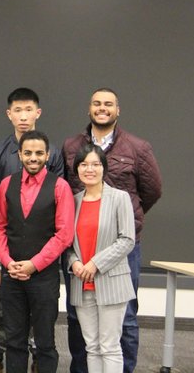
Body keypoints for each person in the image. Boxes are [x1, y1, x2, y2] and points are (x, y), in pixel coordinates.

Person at [62, 88, 162, 373]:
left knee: (125, 320)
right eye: (96, 103)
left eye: (108, 104)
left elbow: (152, 191)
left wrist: (123, 220)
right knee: (81, 324)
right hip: (81, 251)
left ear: (118, 110)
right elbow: (66, 191)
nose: (102, 108)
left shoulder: (137, 147)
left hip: (121, 248)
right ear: (89, 108)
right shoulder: (71, 146)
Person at [0, 87, 64, 373]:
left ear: (37, 113)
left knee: (43, 335)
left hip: (42, 261)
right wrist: (3, 261)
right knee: (6, 326)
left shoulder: (53, 154)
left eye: (28, 109)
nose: (23, 115)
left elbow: (57, 213)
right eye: (17, 110)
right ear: (9, 114)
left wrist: (35, 263)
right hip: (8, 257)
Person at [0, 130, 74, 373]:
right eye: (27, 153)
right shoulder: (7, 185)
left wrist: (34, 264)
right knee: (14, 341)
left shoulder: (60, 187)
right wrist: (8, 263)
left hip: (43, 277)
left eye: (39, 153)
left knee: (45, 343)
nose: (33, 158)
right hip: (12, 276)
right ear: (19, 155)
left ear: (48, 155)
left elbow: (64, 234)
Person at [65, 144, 136, 372]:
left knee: (110, 346)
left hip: (111, 282)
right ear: (77, 170)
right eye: (84, 164)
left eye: (96, 164)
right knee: (92, 346)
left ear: (103, 168)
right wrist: (74, 262)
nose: (90, 169)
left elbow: (126, 240)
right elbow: (66, 242)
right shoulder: (73, 201)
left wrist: (95, 263)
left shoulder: (119, 198)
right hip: (81, 283)